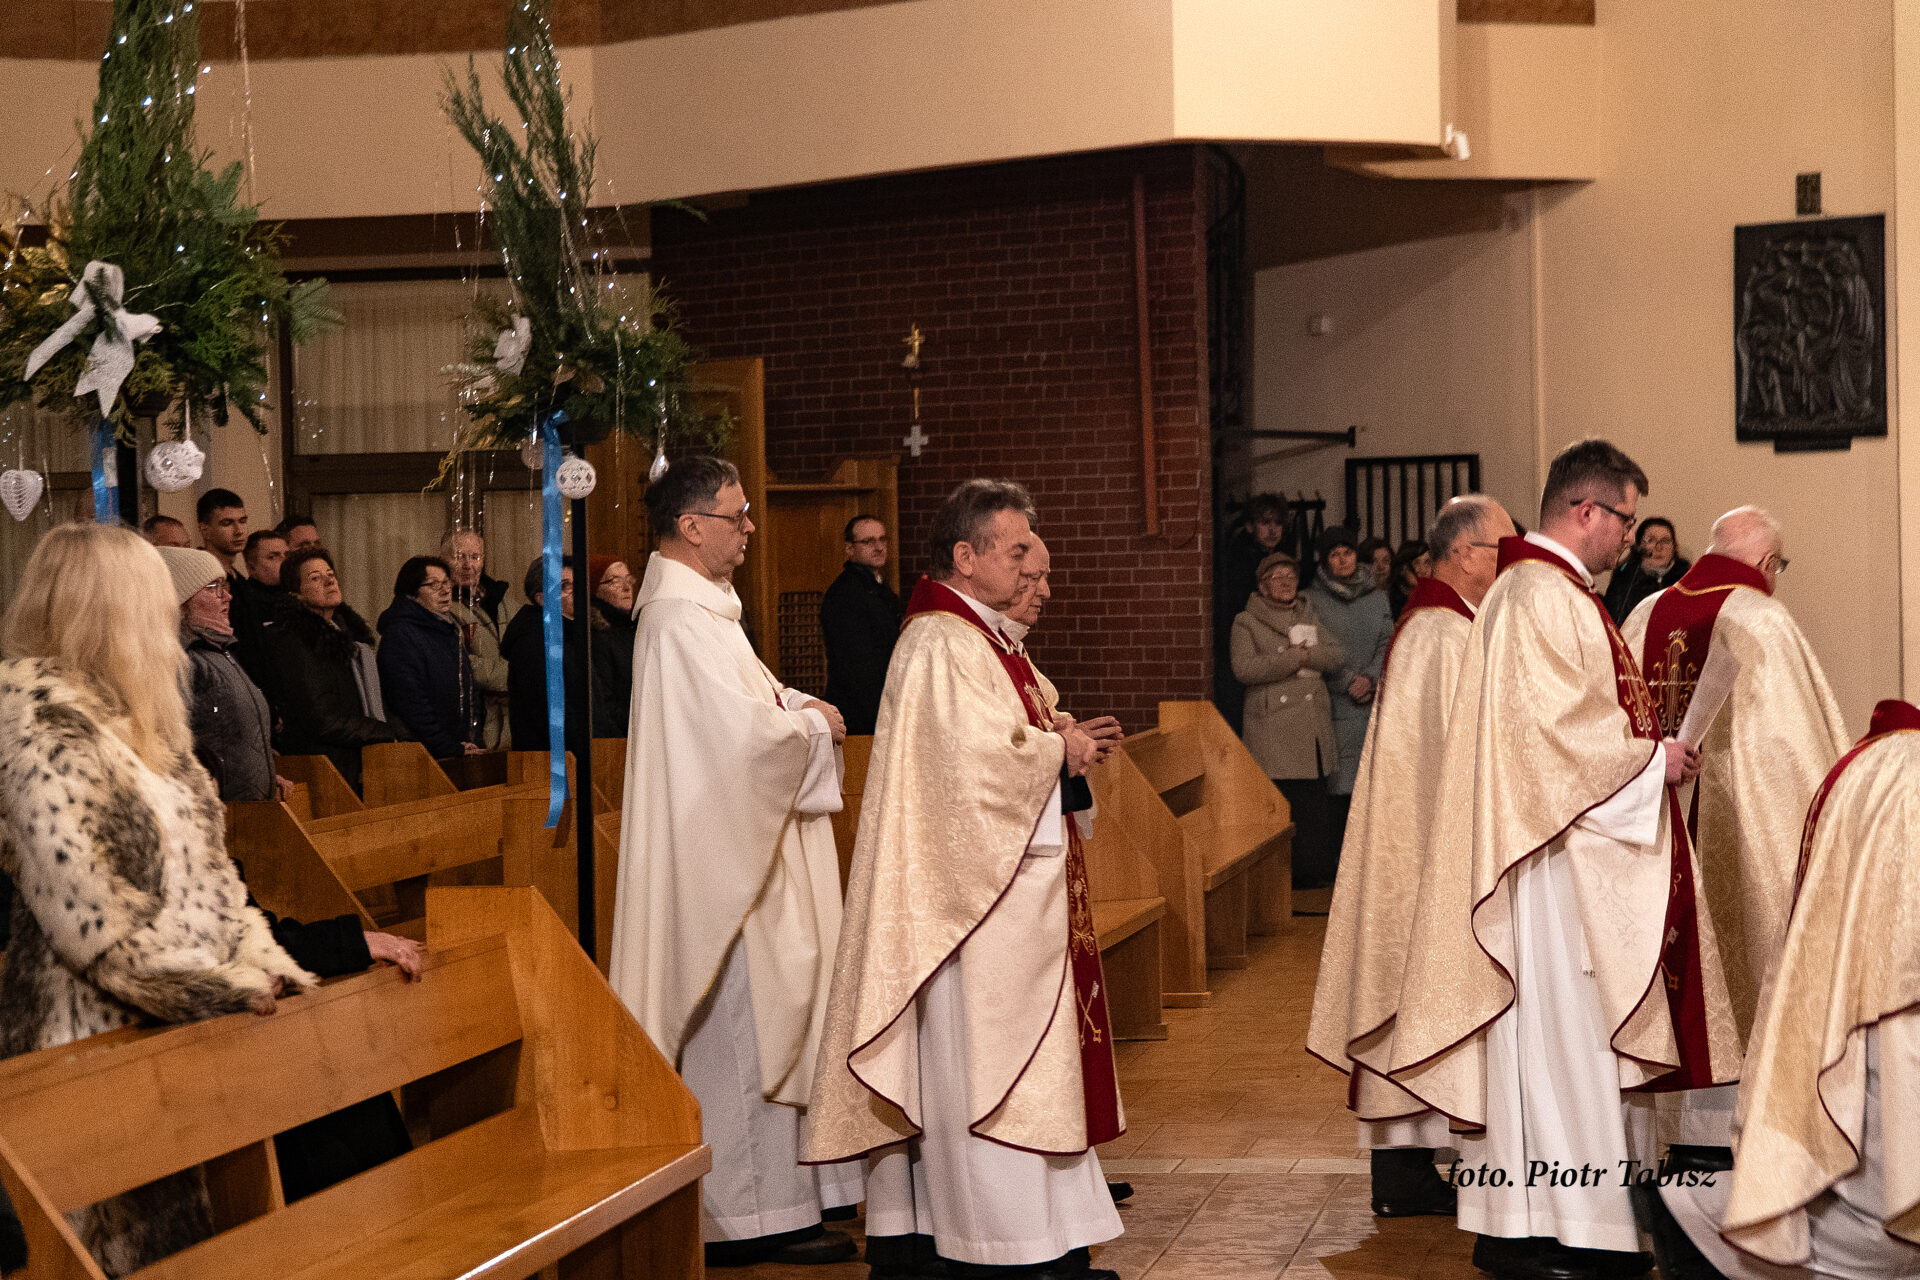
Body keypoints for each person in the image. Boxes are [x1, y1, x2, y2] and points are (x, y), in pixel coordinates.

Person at [1387, 440, 1741, 1280]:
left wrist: (1646, 755)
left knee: (1554, 1052)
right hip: (1551, 868)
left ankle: (1533, 1224)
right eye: (1624, 520)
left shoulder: (1544, 592)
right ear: (1587, 511)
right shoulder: (1542, 595)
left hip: (1559, 850)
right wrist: (1653, 760)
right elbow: (1552, 739)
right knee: (1564, 1049)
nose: (1629, 538)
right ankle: (1568, 1229)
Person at [808, 479, 1125, 1280]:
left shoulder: (982, 639)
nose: (1031, 576)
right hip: (974, 912)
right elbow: (972, 768)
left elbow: (1008, 737)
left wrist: (1058, 734)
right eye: (1017, 555)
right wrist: (1059, 749)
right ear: (966, 555)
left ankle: (1045, 1238)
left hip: (1011, 897)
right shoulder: (940, 642)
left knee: (1021, 1068)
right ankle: (1001, 1246)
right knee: (988, 1073)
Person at [0, 522, 317, 1275]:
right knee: (112, 1252)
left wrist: (257, 954)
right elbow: (98, 928)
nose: (170, 623)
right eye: (154, 603)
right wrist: (223, 986)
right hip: (84, 1039)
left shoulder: (141, 722)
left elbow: (215, 878)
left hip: (174, 1028)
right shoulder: (38, 726)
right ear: (110, 613)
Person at [608, 456, 861, 1267]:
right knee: (741, 1030)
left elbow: (750, 705)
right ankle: (750, 1218)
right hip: (722, 867)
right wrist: (812, 725)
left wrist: (797, 704)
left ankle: (787, 1200)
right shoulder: (679, 620)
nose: (750, 528)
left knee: (766, 1018)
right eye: (737, 514)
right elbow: (738, 744)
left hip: (744, 850)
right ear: (691, 526)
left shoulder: (705, 612)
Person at [156, 543, 427, 1201]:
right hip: (193, 1000)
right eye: (211, 589)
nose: (226, 597)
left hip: (241, 867)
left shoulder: (220, 657)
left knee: (332, 1057)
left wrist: (261, 773)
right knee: (315, 1055)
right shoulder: (183, 678)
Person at [1633, 701, 1920, 1280]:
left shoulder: (1884, 765)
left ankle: (1694, 1208)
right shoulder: (1904, 773)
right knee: (1882, 1194)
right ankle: (1693, 1212)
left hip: (1872, 982)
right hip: (1893, 992)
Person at [1621, 506, 1849, 1163]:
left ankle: (1667, 1144)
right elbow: (1796, 758)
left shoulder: (1642, 615)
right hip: (1734, 841)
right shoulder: (1762, 618)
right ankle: (1728, 1137)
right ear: (1766, 562)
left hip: (1649, 834)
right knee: (1745, 956)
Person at [1308, 495, 1514, 1220]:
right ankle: (1403, 1171)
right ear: (1464, 553)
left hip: (1425, 845)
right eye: (1503, 548)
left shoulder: (1440, 625)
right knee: (1421, 992)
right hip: (1432, 852)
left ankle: (1409, 1167)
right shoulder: (1442, 635)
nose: (1512, 560)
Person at [1231, 551, 1345, 888]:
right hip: (1275, 730)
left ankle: (1313, 873)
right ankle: (1284, 879)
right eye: (1277, 577)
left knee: (1313, 804)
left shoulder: (1309, 615)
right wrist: (1293, 659)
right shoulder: (1246, 622)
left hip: (1312, 729)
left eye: (1290, 576)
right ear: (1262, 586)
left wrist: (1308, 655)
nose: (1285, 583)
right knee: (1283, 804)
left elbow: (1337, 654)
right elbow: (1244, 668)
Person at [266, 547, 408, 791]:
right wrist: (385, 732)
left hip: (359, 762)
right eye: (315, 578)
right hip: (326, 770)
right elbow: (322, 718)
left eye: (330, 574)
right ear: (296, 594)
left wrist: (400, 732)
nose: (329, 581)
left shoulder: (347, 636)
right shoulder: (295, 640)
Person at [1305, 524, 1393, 863]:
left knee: (1373, 785)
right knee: (1338, 786)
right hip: (1333, 702)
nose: (1343, 560)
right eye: (1335, 555)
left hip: (1373, 701)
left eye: (1348, 552)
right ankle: (1338, 863)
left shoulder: (1378, 597)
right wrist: (1347, 682)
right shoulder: (1311, 601)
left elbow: (1387, 641)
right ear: (1324, 561)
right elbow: (1313, 646)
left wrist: (1370, 679)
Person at [502, 556, 621, 766]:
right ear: (542, 599)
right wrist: (585, 751)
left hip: (586, 754)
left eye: (577, 583)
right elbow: (549, 709)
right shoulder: (534, 639)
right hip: (552, 761)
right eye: (564, 586)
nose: (576, 591)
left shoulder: (574, 632)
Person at [376, 556, 485, 760]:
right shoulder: (400, 636)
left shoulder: (447, 629)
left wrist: (473, 738)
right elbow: (411, 704)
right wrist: (446, 746)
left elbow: (469, 690)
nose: (445, 591)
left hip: (461, 749)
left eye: (446, 583)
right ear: (411, 594)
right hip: (427, 756)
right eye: (434, 585)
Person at [819, 515, 903, 736]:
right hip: (860, 714)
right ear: (850, 549)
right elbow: (856, 667)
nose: (879, 547)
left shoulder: (879, 588)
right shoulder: (844, 594)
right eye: (868, 541)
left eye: (882, 539)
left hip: (880, 705)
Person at [1216, 493, 1290, 733]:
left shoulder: (1285, 557)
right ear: (1250, 526)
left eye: (1278, 523)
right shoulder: (1238, 560)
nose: (1272, 530)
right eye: (1265, 522)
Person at [443, 529, 516, 750]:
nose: (468, 565)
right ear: (442, 561)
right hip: (473, 723)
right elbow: (460, 662)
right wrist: (517, 675)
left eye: (475, 557)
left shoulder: (506, 602)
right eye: (459, 557)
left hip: (513, 721)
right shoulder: (442, 607)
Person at [1604, 516, 1688, 625]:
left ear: (1674, 547)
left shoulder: (1686, 579)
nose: (1659, 547)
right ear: (1639, 545)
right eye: (1650, 540)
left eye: (1665, 541)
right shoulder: (1625, 579)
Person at [587, 555, 638, 737]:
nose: (626, 587)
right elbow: (604, 701)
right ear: (596, 589)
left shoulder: (636, 626)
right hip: (617, 738)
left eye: (629, 579)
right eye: (615, 582)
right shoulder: (596, 635)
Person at [1387, 538, 1432, 619]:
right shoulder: (1389, 602)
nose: (1423, 570)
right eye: (1416, 563)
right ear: (1402, 569)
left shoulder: (1435, 598)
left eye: (1427, 562)